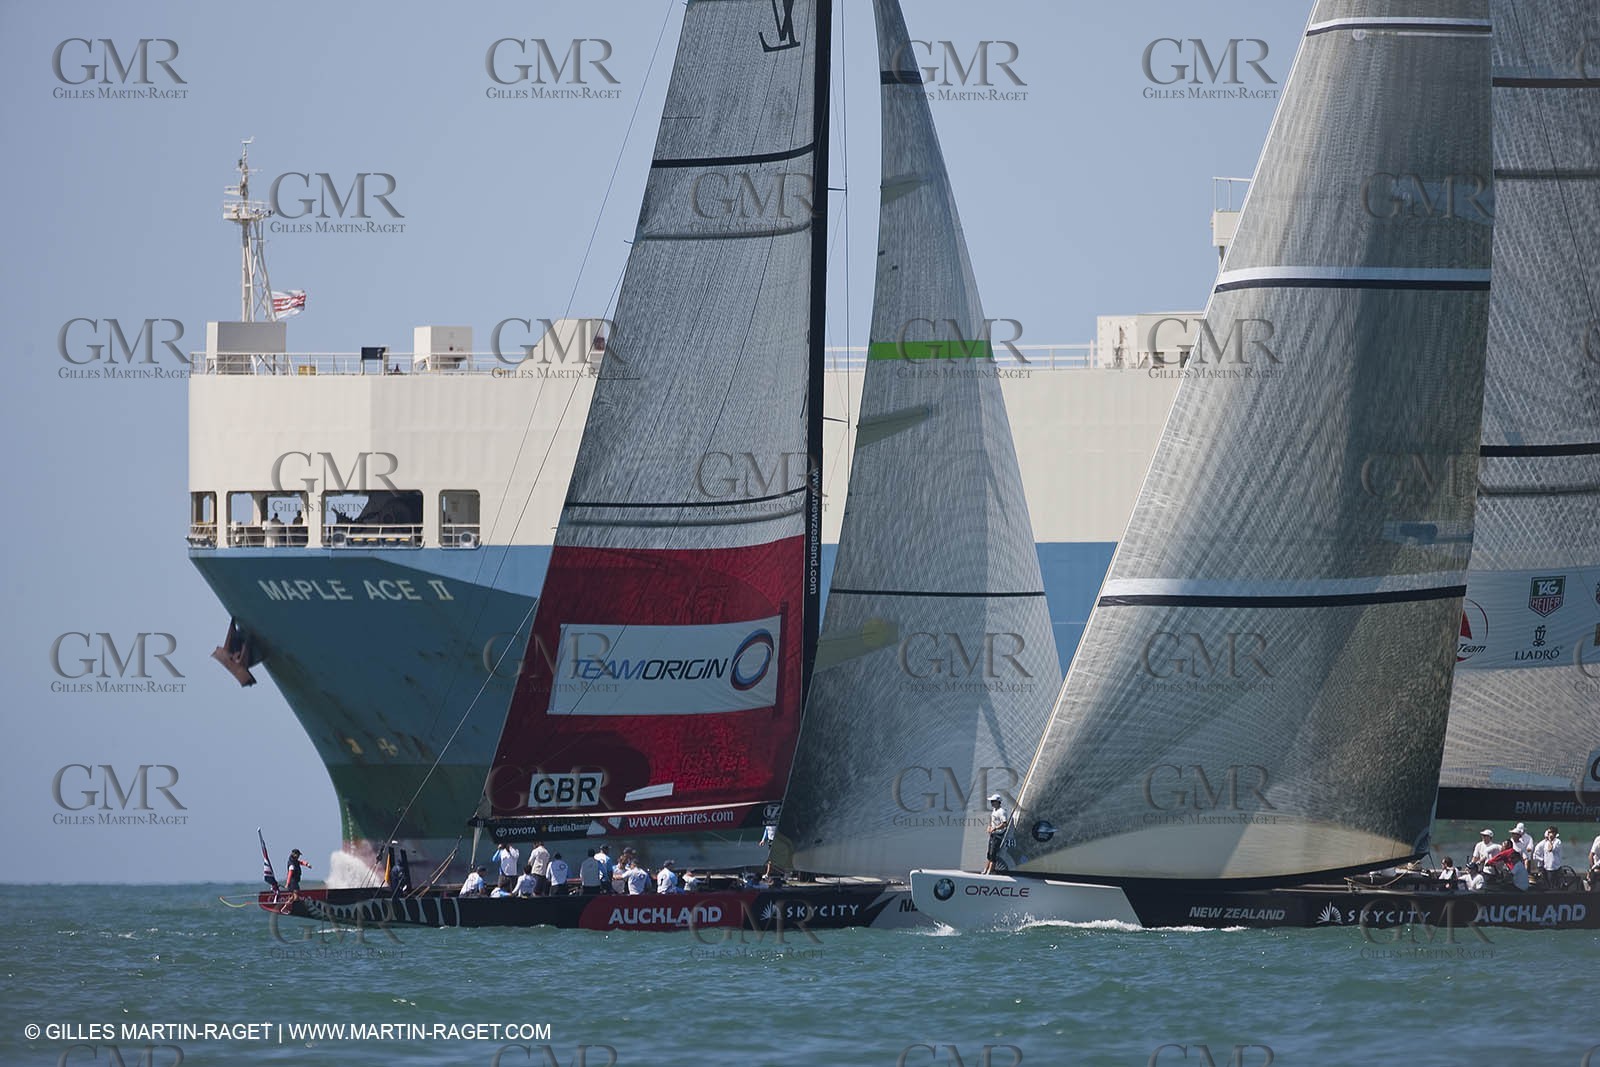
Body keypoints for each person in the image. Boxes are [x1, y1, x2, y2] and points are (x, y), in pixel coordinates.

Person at [981, 793, 1009, 875]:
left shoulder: (1002, 812)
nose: (991, 803)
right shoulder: (994, 810)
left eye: (993, 801)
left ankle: (989, 872)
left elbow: (1004, 824)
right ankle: (985, 870)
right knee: (989, 853)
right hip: (992, 835)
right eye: (991, 801)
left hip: (998, 836)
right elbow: (992, 821)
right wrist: (989, 826)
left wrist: (995, 828)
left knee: (993, 854)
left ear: (998, 802)